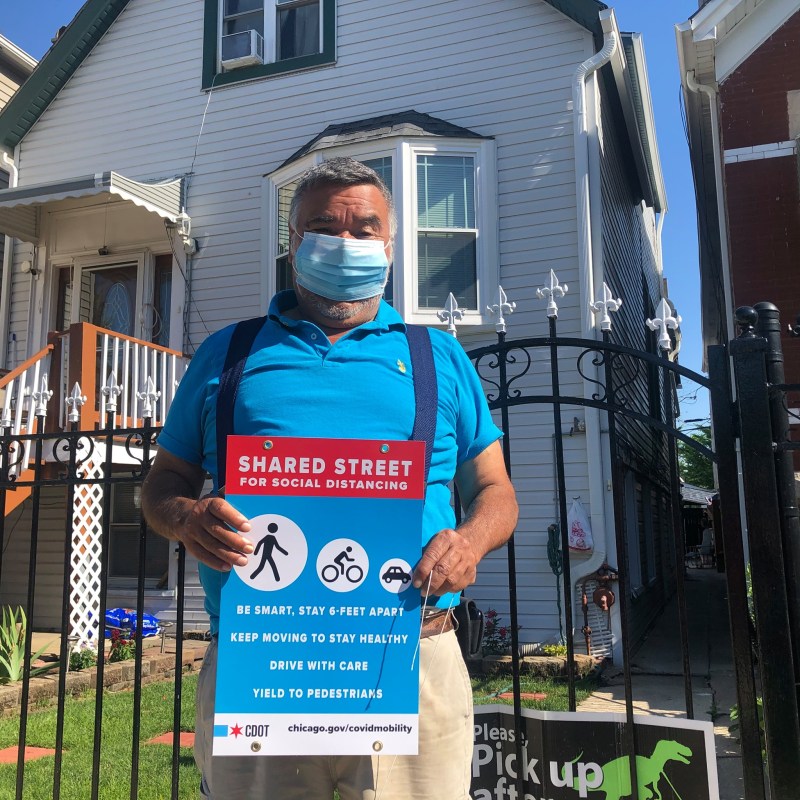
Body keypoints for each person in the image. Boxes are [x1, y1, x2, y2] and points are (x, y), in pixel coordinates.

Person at [141, 157, 518, 800]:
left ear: (390, 247)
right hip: (263, 658)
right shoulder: (229, 352)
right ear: (293, 244)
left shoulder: (438, 357)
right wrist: (183, 517)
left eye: (365, 228)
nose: (346, 242)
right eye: (324, 225)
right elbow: (163, 480)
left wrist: (470, 542)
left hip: (410, 654)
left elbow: (496, 492)